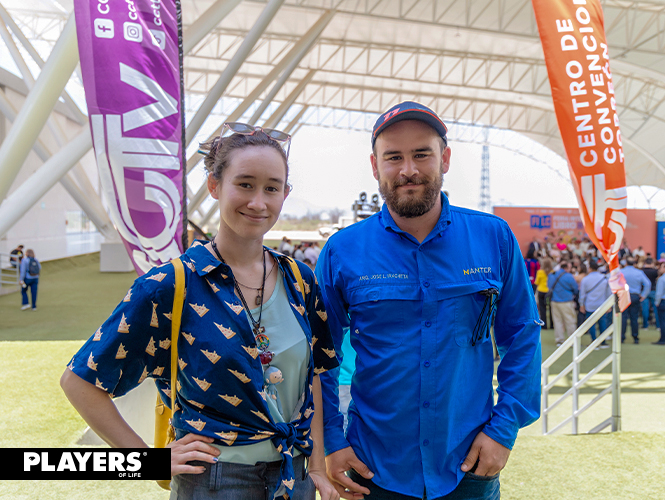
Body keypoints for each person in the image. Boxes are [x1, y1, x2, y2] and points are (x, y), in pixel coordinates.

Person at [60, 123, 340, 500]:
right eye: (245, 184)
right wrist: (148, 461)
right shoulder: (170, 284)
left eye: (272, 188)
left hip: (294, 478)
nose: (258, 202)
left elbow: (313, 376)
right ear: (214, 185)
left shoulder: (299, 280)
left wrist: (317, 467)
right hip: (213, 482)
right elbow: (79, 382)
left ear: (284, 194)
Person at [316, 101, 542, 500]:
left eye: (422, 154)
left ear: (445, 159)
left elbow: (522, 335)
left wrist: (503, 430)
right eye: (394, 157)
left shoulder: (493, 238)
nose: (409, 170)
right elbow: (319, 357)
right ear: (375, 166)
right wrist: (331, 440)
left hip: (468, 465)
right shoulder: (342, 251)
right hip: (373, 469)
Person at [578, 260, 611, 348]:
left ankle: (594, 341)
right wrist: (609, 305)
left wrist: (581, 304)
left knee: (591, 323)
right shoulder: (604, 278)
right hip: (602, 304)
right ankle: (603, 342)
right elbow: (608, 293)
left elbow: (582, 294)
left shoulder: (586, 279)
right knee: (602, 322)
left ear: (590, 268)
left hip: (590, 304)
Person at [548, 261, 579, 346]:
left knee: (557, 321)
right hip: (566, 301)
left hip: (554, 300)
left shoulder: (552, 275)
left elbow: (549, 287)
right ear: (566, 268)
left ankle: (559, 340)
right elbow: (575, 288)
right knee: (570, 320)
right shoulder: (569, 276)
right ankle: (572, 340)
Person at [621, 257, 651, 344]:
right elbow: (648, 284)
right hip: (635, 296)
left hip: (624, 295)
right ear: (634, 264)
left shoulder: (621, 272)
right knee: (634, 318)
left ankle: (622, 337)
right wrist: (643, 295)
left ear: (626, 263)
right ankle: (635, 337)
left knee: (623, 317)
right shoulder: (639, 272)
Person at [535, 257, 553, 329]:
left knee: (542, 309)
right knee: (551, 308)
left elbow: (537, 282)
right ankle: (552, 325)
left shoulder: (540, 272)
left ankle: (544, 325)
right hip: (549, 291)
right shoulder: (553, 272)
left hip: (541, 291)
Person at [641, 258, 658, 329]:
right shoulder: (655, 271)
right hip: (653, 290)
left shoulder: (642, 271)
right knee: (656, 308)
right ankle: (658, 325)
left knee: (645, 309)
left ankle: (645, 325)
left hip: (644, 291)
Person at [653, 262, 665, 345]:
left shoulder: (662, 279)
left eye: (661, 267)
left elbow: (659, 293)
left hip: (663, 301)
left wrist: (657, 302)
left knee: (662, 321)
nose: (660, 269)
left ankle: (663, 339)